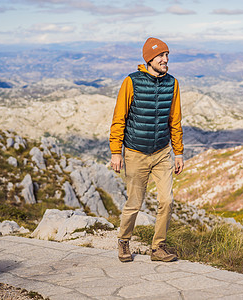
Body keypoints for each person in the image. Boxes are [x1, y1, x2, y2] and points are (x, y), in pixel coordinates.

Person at [109, 37, 184, 263]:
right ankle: (123, 241)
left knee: (167, 201)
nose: (165, 59)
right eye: (161, 55)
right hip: (135, 153)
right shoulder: (131, 82)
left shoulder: (173, 83)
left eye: (167, 55)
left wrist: (178, 152)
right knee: (134, 202)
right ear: (149, 59)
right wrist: (116, 151)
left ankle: (158, 248)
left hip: (162, 153)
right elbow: (119, 118)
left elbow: (175, 120)